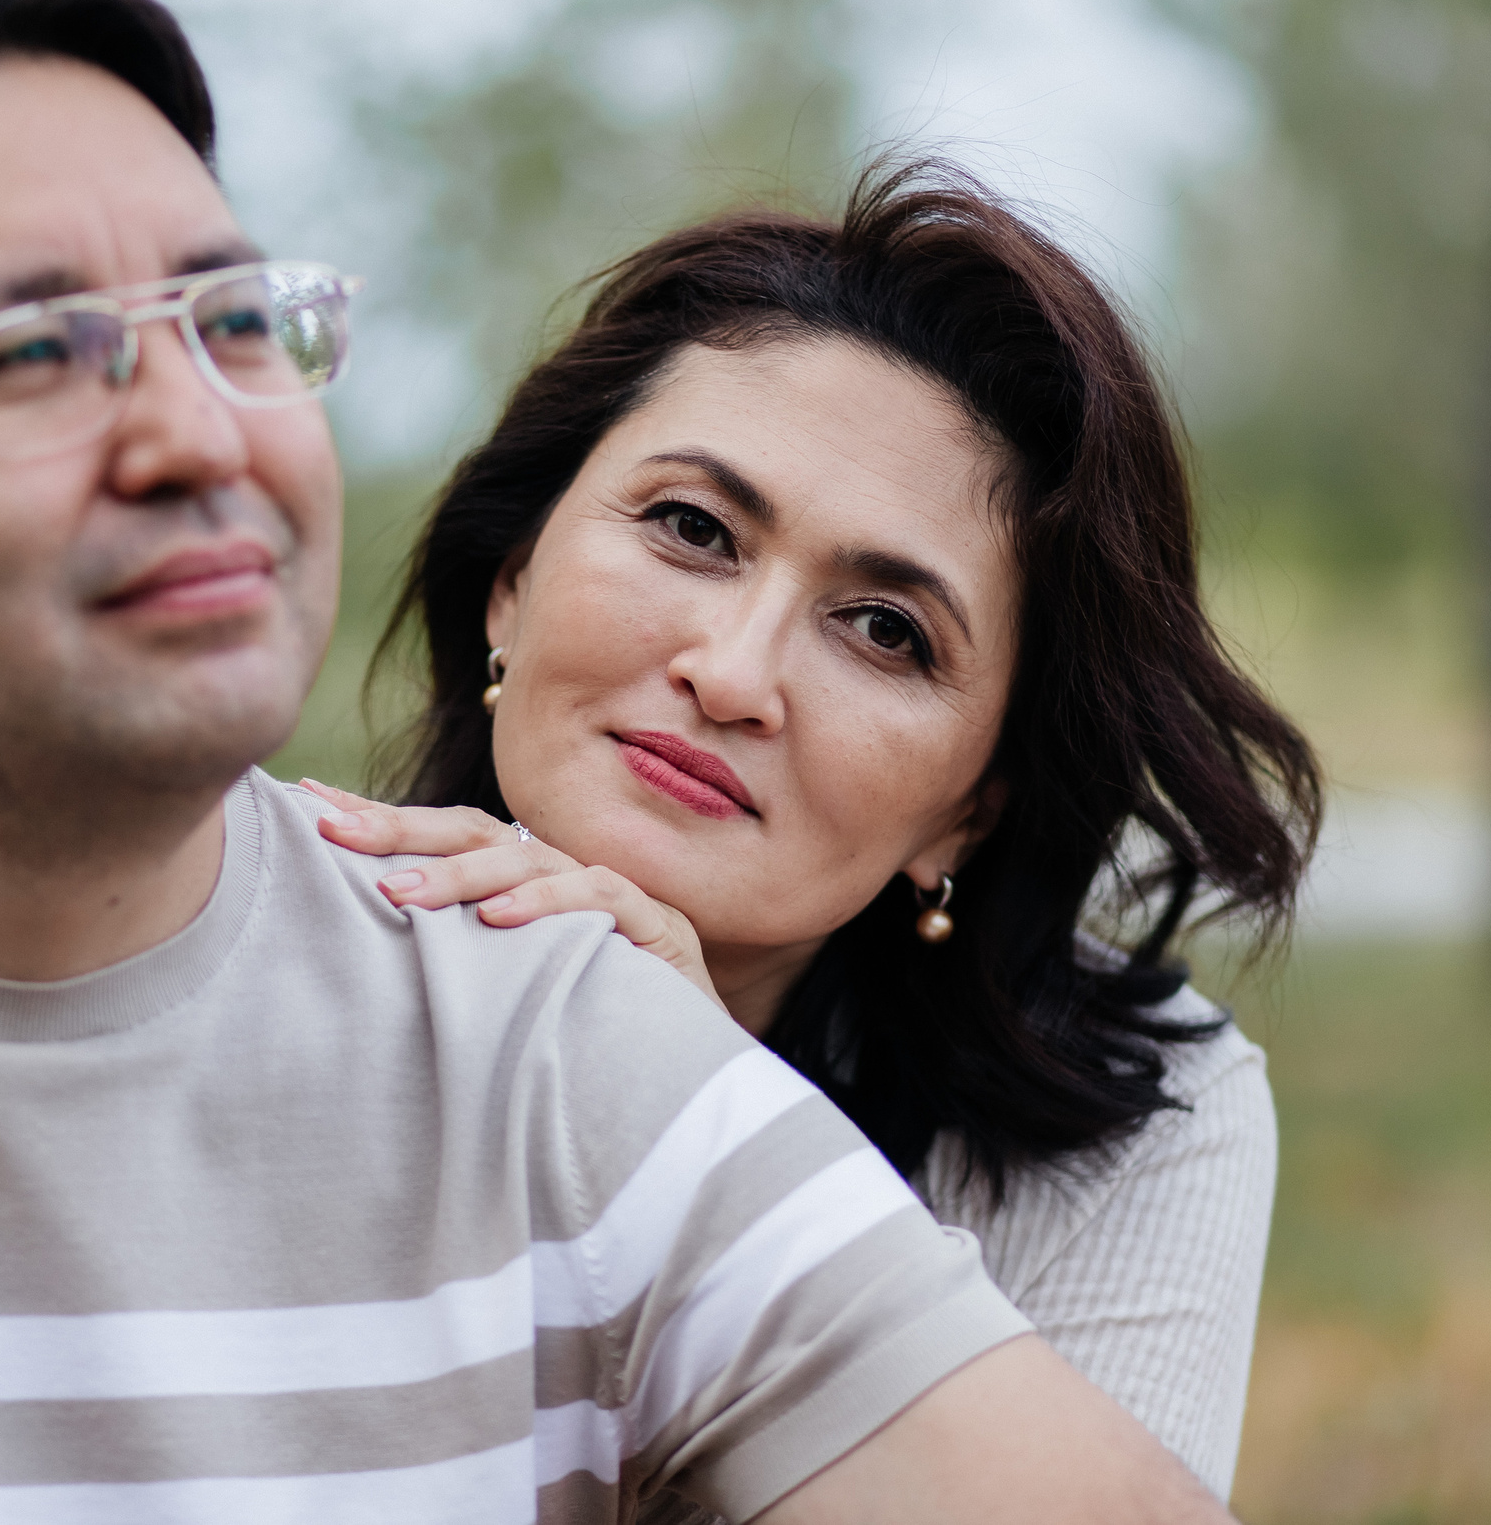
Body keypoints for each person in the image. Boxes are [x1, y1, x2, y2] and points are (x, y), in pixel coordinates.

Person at [0, 0, 1238, 1524]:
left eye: (231, 323)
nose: (194, 430)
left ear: (976, 794)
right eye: (27, 355)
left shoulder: (556, 1039)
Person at [314, 165, 1324, 1502]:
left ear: (971, 808)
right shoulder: (247, 954)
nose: (734, 674)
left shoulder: (1133, 1131)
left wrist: (694, 1125)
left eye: (886, 631)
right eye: (692, 528)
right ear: (514, 583)